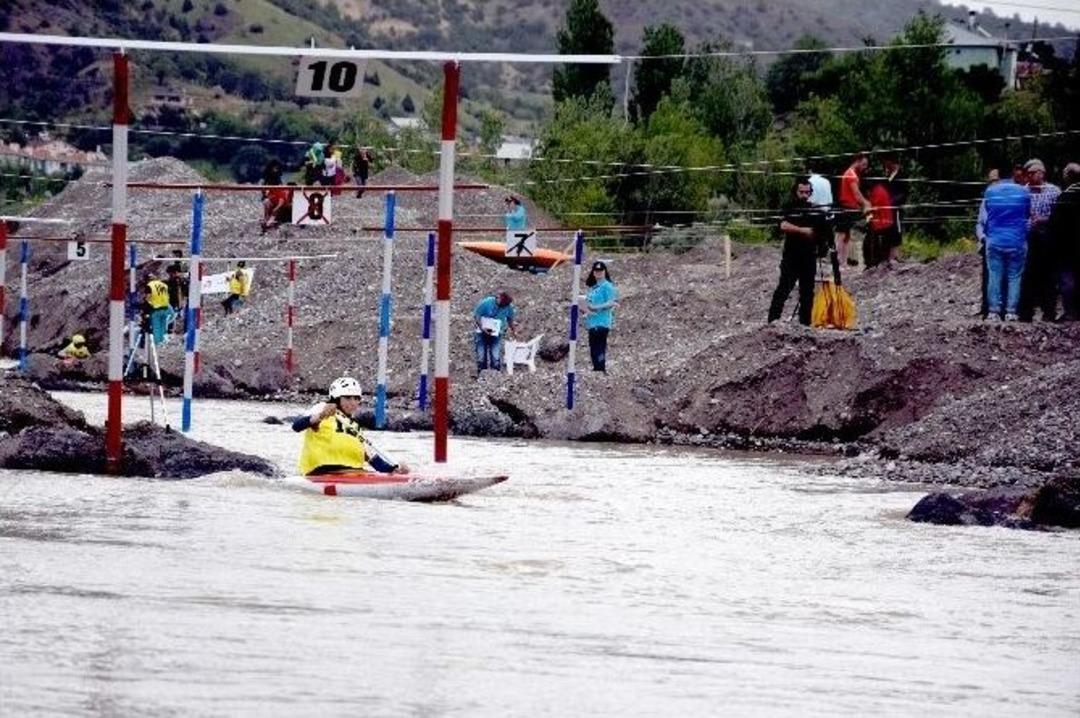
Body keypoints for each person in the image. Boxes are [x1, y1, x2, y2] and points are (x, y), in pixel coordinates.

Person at [292, 377, 410, 477]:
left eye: (356, 398)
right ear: (336, 399)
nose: (353, 402)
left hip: (353, 474)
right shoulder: (322, 408)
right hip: (322, 472)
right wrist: (321, 415)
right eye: (348, 398)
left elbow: (372, 459)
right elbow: (296, 426)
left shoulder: (355, 427)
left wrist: (393, 471)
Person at [768, 177, 832, 326]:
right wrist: (803, 231)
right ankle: (772, 321)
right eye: (801, 192)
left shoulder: (816, 211)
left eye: (807, 192)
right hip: (791, 256)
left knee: (807, 293)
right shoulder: (789, 207)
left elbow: (824, 234)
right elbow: (783, 225)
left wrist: (823, 245)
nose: (804, 195)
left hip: (809, 257)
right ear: (795, 192)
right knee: (784, 289)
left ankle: (805, 324)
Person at [982, 165, 1031, 321]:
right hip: (1017, 240)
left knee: (994, 275)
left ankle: (994, 311)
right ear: (1011, 175)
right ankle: (1011, 311)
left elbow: (987, 213)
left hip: (995, 239)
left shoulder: (990, 192)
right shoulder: (1024, 192)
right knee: (1014, 276)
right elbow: (1027, 213)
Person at [1018, 158, 1062, 322]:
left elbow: (1059, 216)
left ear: (1041, 173)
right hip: (1028, 239)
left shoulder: (1054, 191)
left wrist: (1044, 220)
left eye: (1034, 173)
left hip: (1048, 240)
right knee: (1028, 277)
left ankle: (1049, 312)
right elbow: (1020, 216)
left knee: (1048, 278)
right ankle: (1025, 313)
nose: (1030, 177)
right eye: (1028, 174)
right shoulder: (1023, 192)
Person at [1049, 163, 1080, 321]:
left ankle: (1071, 312)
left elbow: (1055, 224)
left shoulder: (1064, 198)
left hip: (1067, 246)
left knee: (1067, 279)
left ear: (1067, 177)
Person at [863, 156, 903, 268]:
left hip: (882, 222)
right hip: (885, 219)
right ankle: (879, 259)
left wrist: (867, 216)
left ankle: (872, 261)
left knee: (870, 237)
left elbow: (872, 209)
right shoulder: (881, 188)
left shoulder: (877, 191)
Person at [836, 153, 871, 267]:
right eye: (863, 164)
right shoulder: (851, 175)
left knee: (846, 235)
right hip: (847, 207)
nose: (864, 167)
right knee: (842, 235)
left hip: (851, 207)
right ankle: (839, 261)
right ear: (857, 161)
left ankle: (843, 262)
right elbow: (856, 193)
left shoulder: (852, 174)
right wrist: (866, 203)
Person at [975, 168, 1002, 318]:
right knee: (987, 277)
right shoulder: (986, 199)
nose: (993, 185)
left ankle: (999, 308)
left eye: (995, 181)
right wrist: (982, 237)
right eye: (991, 182)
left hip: (1000, 241)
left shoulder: (1005, 200)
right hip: (987, 242)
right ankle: (986, 308)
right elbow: (980, 222)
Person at [584, 260, 618, 372]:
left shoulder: (607, 286)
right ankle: (596, 368)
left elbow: (611, 302)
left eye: (601, 270)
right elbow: (588, 303)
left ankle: (601, 368)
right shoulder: (593, 288)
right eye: (596, 271)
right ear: (593, 272)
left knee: (600, 347)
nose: (598, 273)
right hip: (592, 322)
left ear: (604, 272)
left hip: (602, 322)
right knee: (593, 346)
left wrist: (596, 307)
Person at [473, 291, 516, 375]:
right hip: (481, 333)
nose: (504, 306)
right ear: (499, 298)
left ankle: (495, 377)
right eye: (503, 304)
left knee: (495, 357)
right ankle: (482, 376)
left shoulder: (508, 307)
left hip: (496, 334)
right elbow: (477, 316)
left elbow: (510, 319)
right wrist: (482, 328)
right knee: (481, 357)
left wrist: (514, 330)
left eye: (506, 305)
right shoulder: (486, 303)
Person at [144, 276, 172, 344]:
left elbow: (148, 297)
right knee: (162, 325)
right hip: (165, 307)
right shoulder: (164, 285)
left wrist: (146, 304)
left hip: (155, 308)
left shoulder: (149, 286)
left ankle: (157, 342)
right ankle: (162, 340)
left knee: (156, 326)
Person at [166, 255, 187, 334]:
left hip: (175, 301)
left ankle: (172, 330)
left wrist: (180, 304)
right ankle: (171, 330)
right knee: (172, 316)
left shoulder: (177, 281)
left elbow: (180, 292)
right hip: (172, 301)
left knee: (174, 316)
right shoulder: (173, 281)